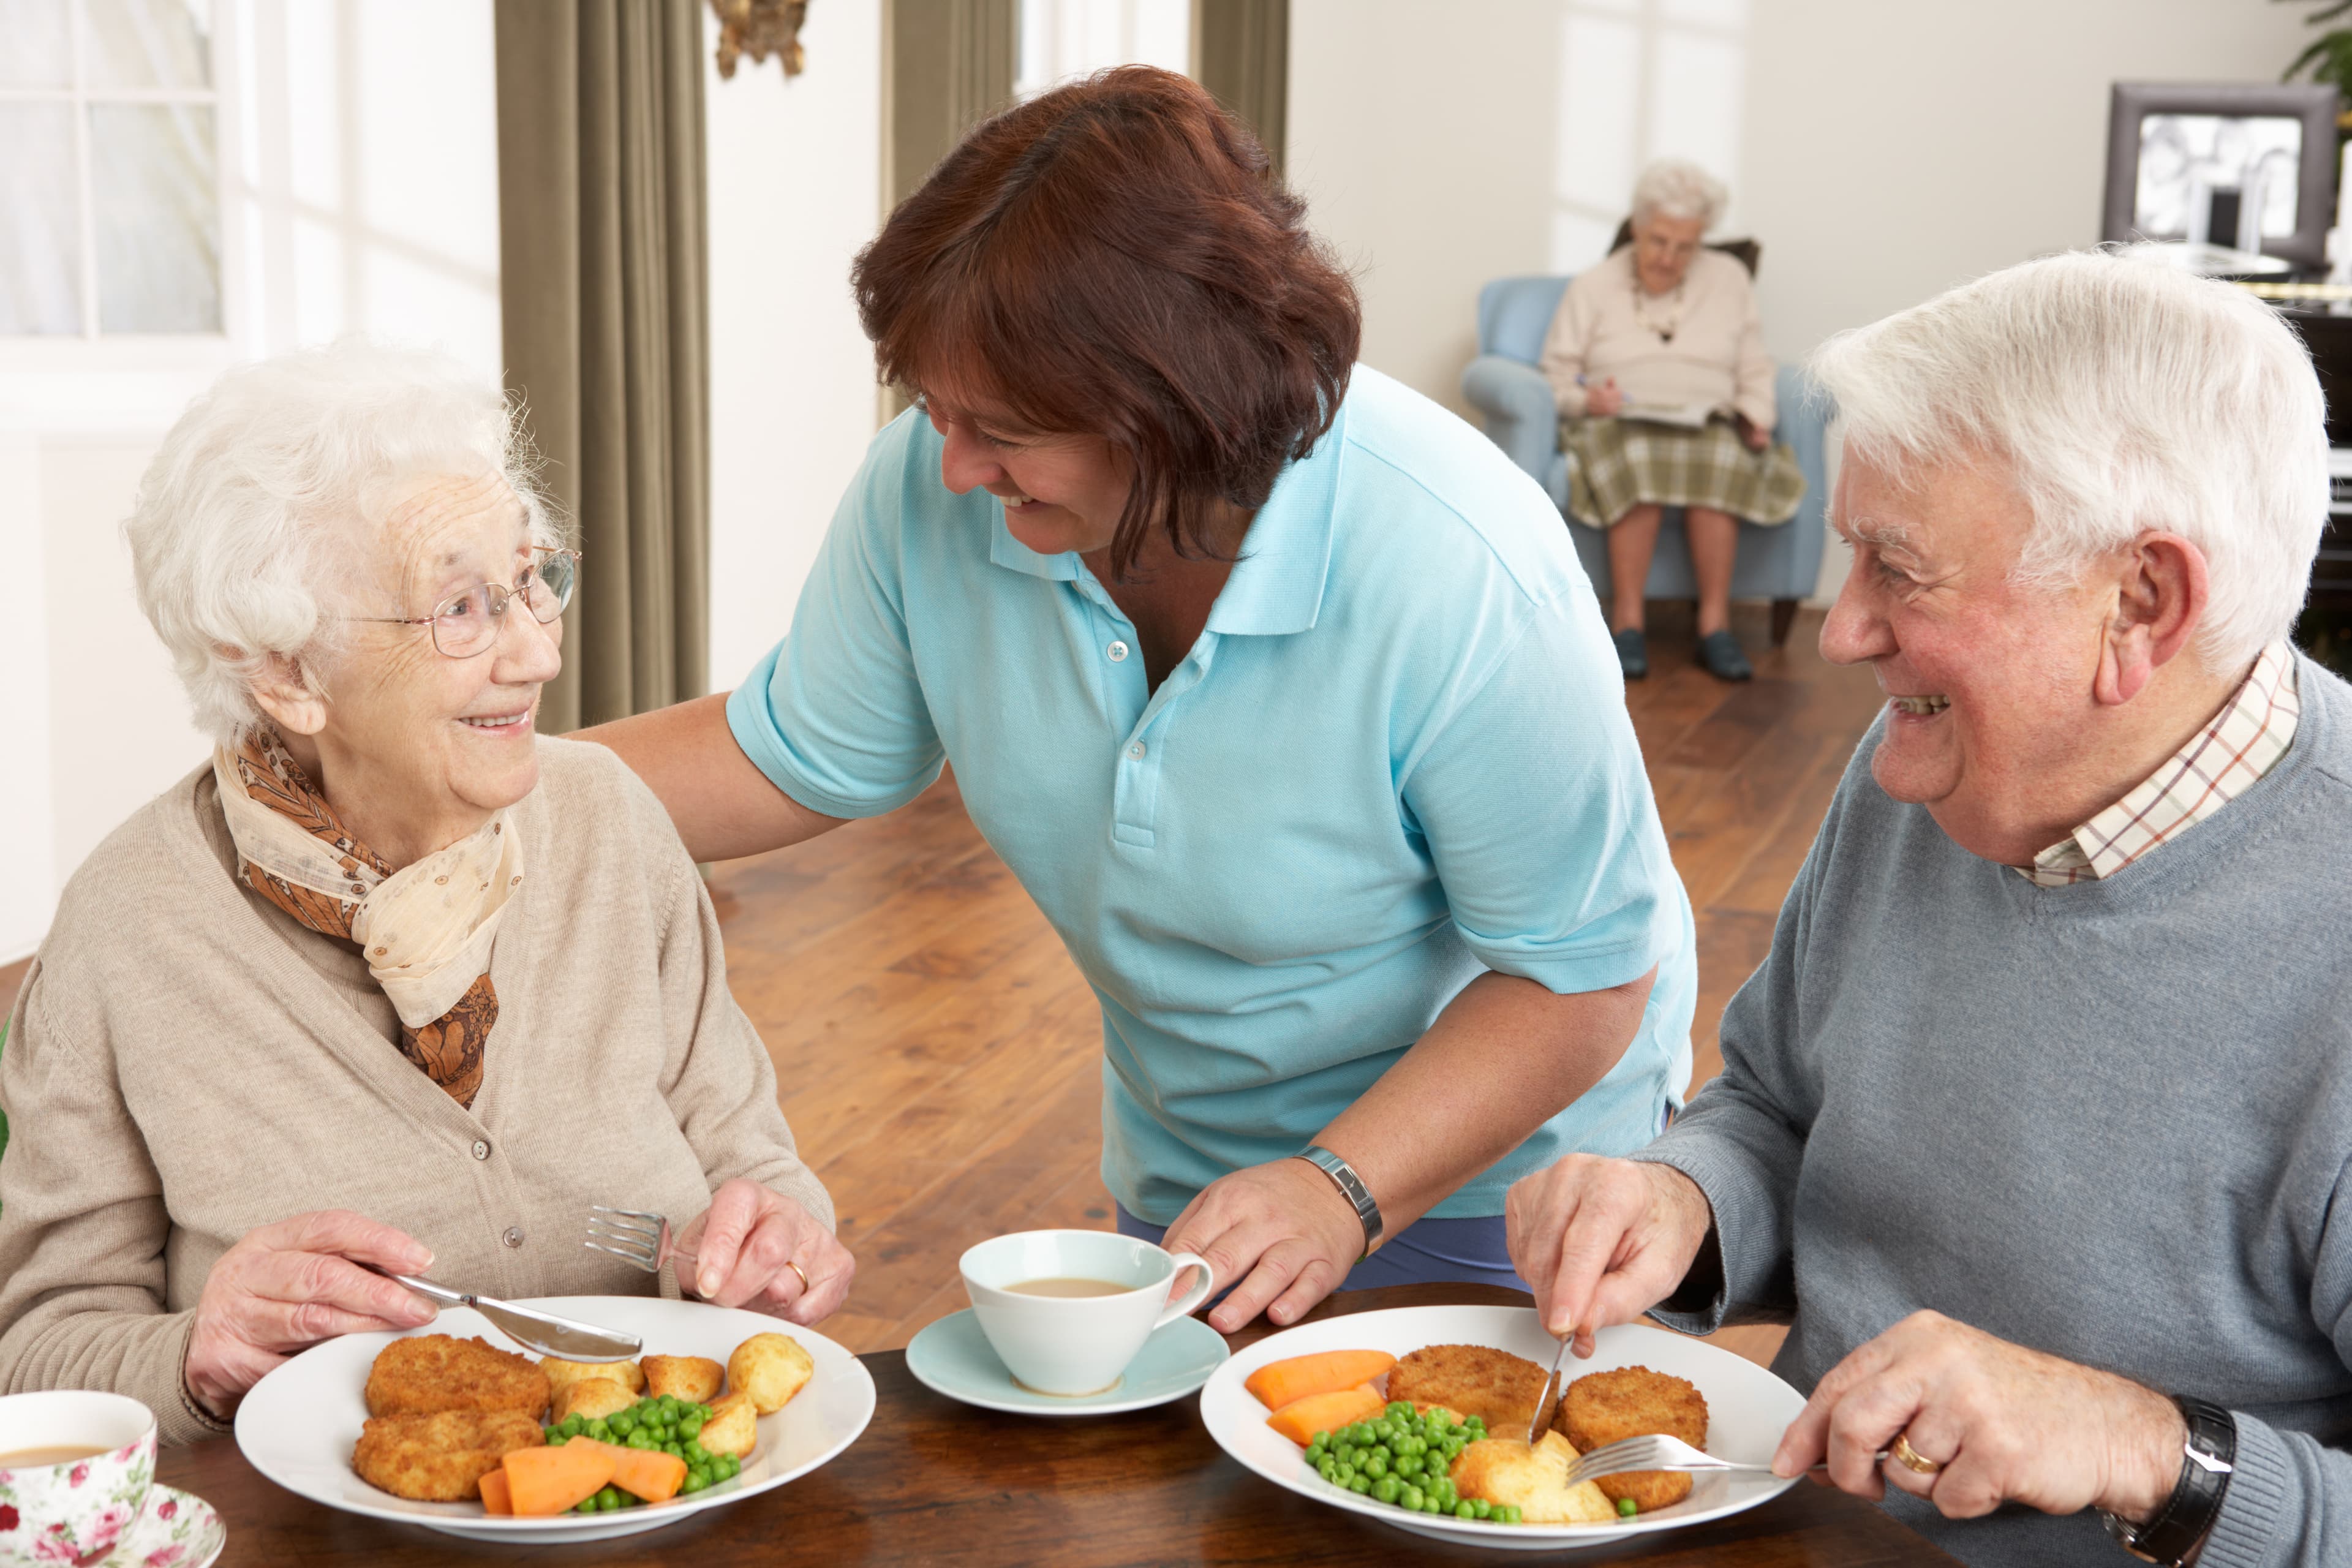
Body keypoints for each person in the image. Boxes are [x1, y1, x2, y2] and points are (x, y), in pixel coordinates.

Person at [584, 67, 1698, 1336]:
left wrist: (1342, 1185)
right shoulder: (943, 490)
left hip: (1506, 1185)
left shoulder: (1462, 565)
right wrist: (473, 786)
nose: (951, 462)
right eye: (935, 410)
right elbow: (786, 752)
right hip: (1197, 1174)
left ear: (1175, 407)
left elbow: (1582, 978)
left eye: (1000, 426)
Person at [1505, 252, 2351, 1567]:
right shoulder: (1929, 764)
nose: (1843, 631)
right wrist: (1685, 1200)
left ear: (2142, 601)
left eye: (1898, 570)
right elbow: (1779, 1100)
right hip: (1794, 1524)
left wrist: (2141, 1444)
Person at [0, 342, 851, 1443]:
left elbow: (753, 1163)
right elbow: (35, 1354)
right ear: (285, 672)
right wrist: (197, 1354)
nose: (536, 652)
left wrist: (776, 1242)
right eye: (460, 608)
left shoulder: (609, 824)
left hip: (656, 1500)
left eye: (533, 580)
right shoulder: (127, 929)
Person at [1539, 159, 1804, 683]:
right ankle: (1628, 624)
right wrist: (1585, 401)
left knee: (1723, 457)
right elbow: (1555, 375)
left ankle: (1715, 627)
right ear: (1636, 227)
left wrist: (1757, 415)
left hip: (1707, 419)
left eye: (1685, 246)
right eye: (1658, 240)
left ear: (1701, 239)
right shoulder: (1594, 285)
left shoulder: (1728, 279)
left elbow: (1754, 362)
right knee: (1637, 457)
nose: (1668, 258)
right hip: (1618, 421)